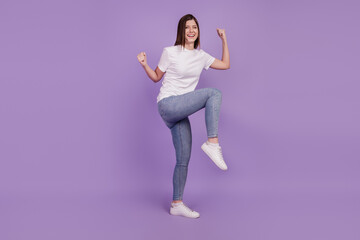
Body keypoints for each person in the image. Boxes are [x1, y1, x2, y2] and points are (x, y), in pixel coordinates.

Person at [137, 14, 230, 219]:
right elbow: (156, 78)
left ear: (198, 31)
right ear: (181, 30)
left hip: (180, 111)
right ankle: (212, 143)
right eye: (187, 27)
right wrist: (145, 64)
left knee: (183, 159)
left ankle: (176, 203)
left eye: (194, 27)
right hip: (168, 104)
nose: (191, 30)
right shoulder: (170, 52)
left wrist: (223, 39)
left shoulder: (201, 56)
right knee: (213, 93)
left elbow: (225, 64)